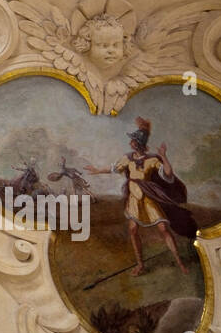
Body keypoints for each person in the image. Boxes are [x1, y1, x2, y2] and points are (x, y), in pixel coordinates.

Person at [84, 117, 198, 276]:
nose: (130, 142)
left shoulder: (152, 159)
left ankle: (180, 263)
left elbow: (168, 174)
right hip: (134, 200)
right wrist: (97, 170)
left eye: (132, 140)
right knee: (132, 230)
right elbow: (114, 168)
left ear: (137, 143)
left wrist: (163, 156)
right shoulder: (127, 158)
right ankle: (140, 265)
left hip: (148, 198)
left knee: (163, 228)